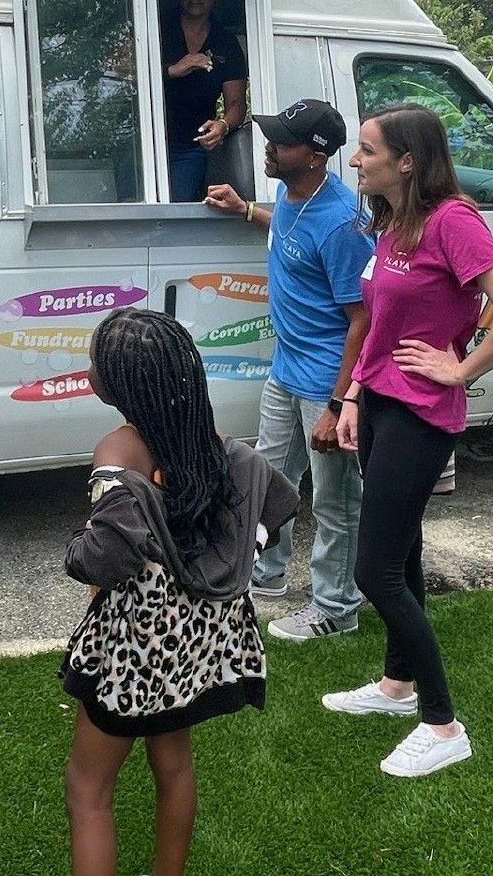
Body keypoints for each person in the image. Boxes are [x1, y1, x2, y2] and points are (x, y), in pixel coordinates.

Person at [324, 103, 493, 777]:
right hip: (383, 405)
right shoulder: (392, 223)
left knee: (375, 570)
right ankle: (397, 685)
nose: (355, 160)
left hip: (422, 414)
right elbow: (381, 328)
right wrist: (355, 396)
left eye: (366, 150)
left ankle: (443, 723)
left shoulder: (453, 220)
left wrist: (461, 366)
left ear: (407, 160)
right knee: (403, 551)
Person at [60, 308, 298, 876]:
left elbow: (110, 554)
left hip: (138, 645)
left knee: (86, 787)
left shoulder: (120, 451)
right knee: (173, 765)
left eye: (94, 361)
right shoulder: (209, 440)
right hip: (198, 635)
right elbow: (275, 500)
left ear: (114, 385)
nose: (87, 369)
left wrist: (78, 546)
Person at [205, 98, 375, 641]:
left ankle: (335, 607)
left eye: (282, 141)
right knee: (267, 481)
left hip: (327, 380)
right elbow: (289, 228)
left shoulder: (345, 224)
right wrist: (244, 210)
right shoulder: (289, 191)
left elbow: (363, 320)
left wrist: (337, 405)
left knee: (335, 502)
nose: (269, 148)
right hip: (286, 372)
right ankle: (266, 574)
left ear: (317, 156)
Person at [161, 0, 248, 202]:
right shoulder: (156, 23)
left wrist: (223, 125)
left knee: (177, 210)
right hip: (140, 142)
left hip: (189, 148)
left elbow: (237, 106)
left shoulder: (225, 43)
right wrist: (172, 70)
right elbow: (119, 70)